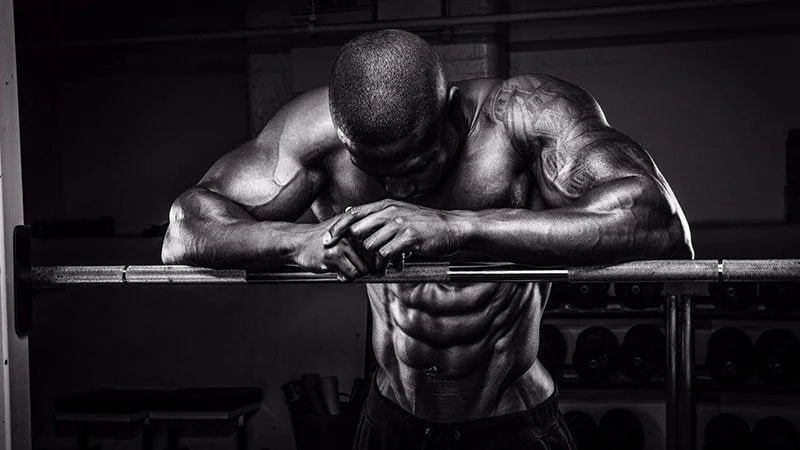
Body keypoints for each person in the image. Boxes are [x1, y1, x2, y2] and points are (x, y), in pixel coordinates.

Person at [162, 29, 693, 449]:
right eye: (378, 172)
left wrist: (462, 225)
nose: (397, 189)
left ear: (450, 115)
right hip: (391, 420)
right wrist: (296, 242)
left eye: (414, 167)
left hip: (510, 423)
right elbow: (185, 227)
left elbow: (659, 221)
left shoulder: (521, 115)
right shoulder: (316, 134)